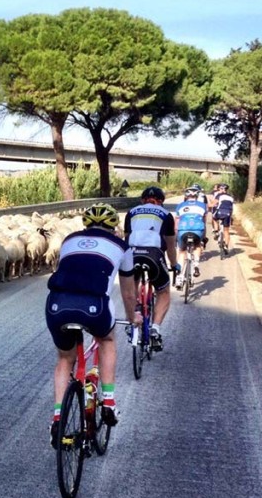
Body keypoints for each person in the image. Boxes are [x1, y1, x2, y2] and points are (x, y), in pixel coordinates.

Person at [45, 203, 137, 447]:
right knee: (107, 340)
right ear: (113, 226)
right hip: (94, 307)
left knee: (65, 359)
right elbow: (128, 293)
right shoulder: (122, 246)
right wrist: (133, 317)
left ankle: (57, 419)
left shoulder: (68, 240)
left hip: (56, 304)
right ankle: (108, 401)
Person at [124, 186, 177, 350]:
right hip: (154, 254)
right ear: (161, 202)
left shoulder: (131, 212)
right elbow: (170, 245)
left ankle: (133, 316)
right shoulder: (166, 215)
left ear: (142, 200)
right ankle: (155, 328)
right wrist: (174, 265)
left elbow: (126, 239)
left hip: (132, 252)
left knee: (131, 286)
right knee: (164, 292)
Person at [173, 186, 208, 290]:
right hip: (198, 229)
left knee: (182, 250)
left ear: (186, 196)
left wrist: (176, 236)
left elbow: (176, 223)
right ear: (196, 196)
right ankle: (196, 264)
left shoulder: (180, 206)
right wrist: (203, 237)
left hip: (183, 230)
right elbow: (204, 222)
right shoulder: (203, 206)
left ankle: (179, 277)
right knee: (197, 245)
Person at [211, 183, 235, 250]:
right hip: (228, 213)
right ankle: (226, 246)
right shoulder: (231, 197)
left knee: (214, 218)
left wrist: (208, 206)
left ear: (220, 189)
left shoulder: (219, 195)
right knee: (226, 231)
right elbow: (231, 208)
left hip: (220, 212)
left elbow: (213, 204)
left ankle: (216, 231)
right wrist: (231, 216)